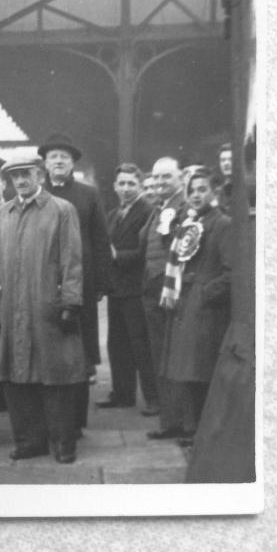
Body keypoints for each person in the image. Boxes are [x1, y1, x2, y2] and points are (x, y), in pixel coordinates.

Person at [0, 153, 85, 463]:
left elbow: (72, 260)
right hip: (12, 309)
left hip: (47, 308)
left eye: (26, 174)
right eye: (15, 177)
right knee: (16, 378)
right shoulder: (4, 213)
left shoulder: (62, 210)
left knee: (56, 378)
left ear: (39, 174)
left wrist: (71, 302)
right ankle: (29, 440)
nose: (21, 181)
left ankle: (64, 443)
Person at [38, 132, 112, 433]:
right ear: (44, 162)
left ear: (72, 164)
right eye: (53, 156)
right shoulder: (37, 193)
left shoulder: (88, 194)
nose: (58, 161)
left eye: (64, 158)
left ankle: (77, 421)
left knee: (78, 355)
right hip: (42, 283)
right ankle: (48, 420)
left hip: (80, 284)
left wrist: (100, 284)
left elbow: (100, 239)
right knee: (46, 350)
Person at [160, 167, 232, 446]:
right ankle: (190, 427)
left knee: (200, 371)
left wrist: (204, 293)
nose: (195, 195)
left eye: (202, 189)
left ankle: (201, 433)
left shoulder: (222, 223)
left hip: (205, 309)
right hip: (184, 303)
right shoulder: (188, 223)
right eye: (191, 190)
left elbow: (232, 272)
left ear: (214, 192)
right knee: (185, 371)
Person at [99, 163, 159, 415]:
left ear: (140, 186)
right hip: (117, 290)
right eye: (121, 184)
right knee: (118, 344)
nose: (125, 189)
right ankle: (122, 394)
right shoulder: (112, 215)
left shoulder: (148, 211)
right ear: (114, 187)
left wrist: (116, 255)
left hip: (136, 289)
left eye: (131, 184)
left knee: (141, 345)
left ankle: (153, 399)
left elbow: (146, 252)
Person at [141, 156, 194, 439]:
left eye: (166, 177)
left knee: (173, 358)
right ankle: (170, 420)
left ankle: (182, 423)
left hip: (169, 294)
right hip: (152, 291)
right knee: (160, 358)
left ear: (180, 177)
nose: (160, 182)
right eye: (157, 178)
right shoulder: (159, 208)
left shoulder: (184, 208)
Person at [216, 142, 233, 214]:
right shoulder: (219, 192)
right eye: (222, 160)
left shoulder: (248, 186)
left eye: (230, 159)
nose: (226, 163)